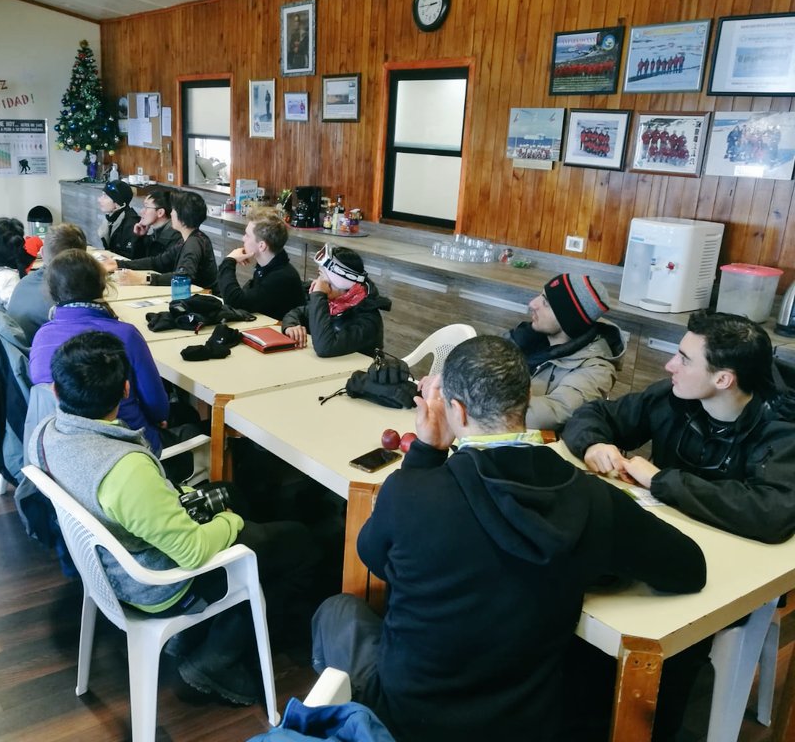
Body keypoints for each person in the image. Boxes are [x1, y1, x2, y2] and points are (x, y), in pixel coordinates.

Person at [311, 335, 706, 742]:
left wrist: (426, 453)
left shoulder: (413, 491)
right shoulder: (592, 499)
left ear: (456, 411)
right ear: (525, 401)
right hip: (521, 724)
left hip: (408, 720)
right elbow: (689, 568)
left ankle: (350, 723)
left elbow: (373, 557)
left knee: (337, 611)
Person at [29, 330, 319, 706]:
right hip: (156, 584)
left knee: (228, 493)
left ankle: (211, 623)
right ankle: (215, 660)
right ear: (126, 391)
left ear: (55, 391)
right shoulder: (125, 470)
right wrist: (230, 523)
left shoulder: (46, 434)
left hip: (107, 564)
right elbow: (192, 551)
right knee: (299, 544)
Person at [563, 309, 795, 545]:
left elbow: (771, 513)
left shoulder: (781, 427)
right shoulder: (673, 396)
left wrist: (662, 481)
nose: (670, 365)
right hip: (666, 534)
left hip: (736, 553)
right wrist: (594, 444)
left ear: (723, 379)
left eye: (684, 359)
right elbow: (595, 413)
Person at [29, 249, 169, 455]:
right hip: (127, 449)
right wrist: (159, 418)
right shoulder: (126, 335)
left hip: (61, 450)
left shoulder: (41, 336)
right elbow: (157, 407)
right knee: (188, 422)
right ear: (102, 285)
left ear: (52, 292)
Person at [506, 272, 626, 431]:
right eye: (540, 295)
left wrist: (484, 401)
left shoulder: (596, 370)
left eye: (546, 303)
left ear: (568, 320)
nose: (532, 304)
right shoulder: (527, 336)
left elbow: (553, 413)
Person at [281, 245, 391, 357]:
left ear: (338, 282)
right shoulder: (335, 304)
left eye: (322, 277)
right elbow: (296, 313)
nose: (317, 282)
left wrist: (318, 295)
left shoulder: (367, 320)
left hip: (358, 372)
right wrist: (291, 326)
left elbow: (324, 347)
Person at [111, 191, 219, 293]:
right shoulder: (187, 240)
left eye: (174, 210)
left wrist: (144, 278)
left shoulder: (193, 243)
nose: (171, 213)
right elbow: (157, 262)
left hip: (205, 299)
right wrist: (118, 264)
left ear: (182, 215)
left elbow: (183, 277)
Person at [217, 210, 305, 321]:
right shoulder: (267, 267)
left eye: (247, 235)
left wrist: (228, 262)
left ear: (262, 245)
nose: (243, 238)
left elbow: (236, 302)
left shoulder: (281, 277)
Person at [7, 223, 88, 342]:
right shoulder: (66, 297)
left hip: (24, 353)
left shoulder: (24, 282)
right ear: (83, 258)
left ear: (43, 253)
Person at [95, 179, 142, 257]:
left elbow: (128, 256)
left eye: (105, 197)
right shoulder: (111, 218)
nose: (99, 199)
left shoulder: (131, 224)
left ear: (118, 203)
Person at [131, 189, 180, 258]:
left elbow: (154, 265)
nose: (142, 211)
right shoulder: (155, 234)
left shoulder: (174, 239)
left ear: (160, 213)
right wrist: (140, 238)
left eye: (146, 207)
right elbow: (138, 261)